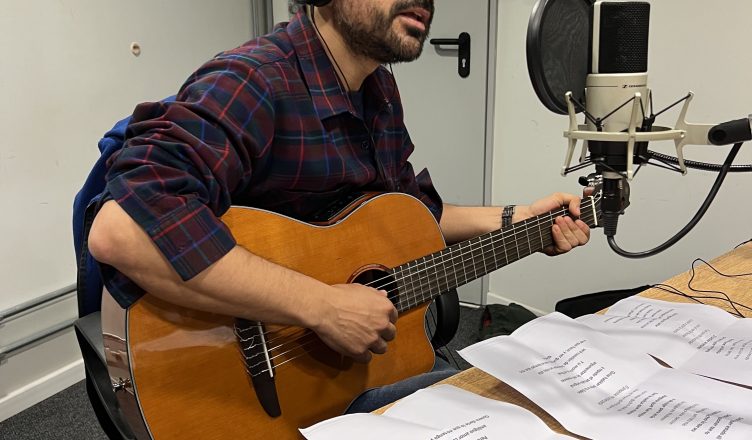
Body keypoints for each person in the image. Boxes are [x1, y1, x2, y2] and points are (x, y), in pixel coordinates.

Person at [87, 0, 590, 413]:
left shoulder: (379, 90)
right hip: (244, 390)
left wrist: (518, 219)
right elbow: (122, 230)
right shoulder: (253, 80)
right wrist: (321, 306)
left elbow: (409, 214)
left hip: (343, 375)